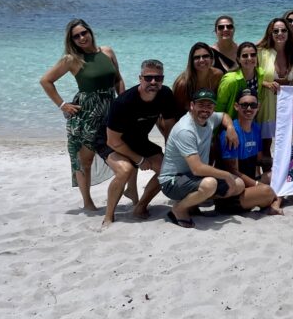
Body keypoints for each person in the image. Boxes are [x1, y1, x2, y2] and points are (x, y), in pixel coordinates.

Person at [40, 19, 125, 211]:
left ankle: (128, 189)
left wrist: (123, 102)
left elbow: (117, 79)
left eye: (83, 33)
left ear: (90, 32)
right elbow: (46, 81)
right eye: (76, 36)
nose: (81, 38)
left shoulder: (107, 52)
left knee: (121, 149)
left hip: (110, 108)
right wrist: (63, 105)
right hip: (87, 114)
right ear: (71, 40)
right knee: (85, 159)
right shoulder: (71, 59)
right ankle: (87, 202)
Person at [96, 59, 184, 225]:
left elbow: (170, 129)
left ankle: (140, 206)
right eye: (148, 77)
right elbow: (113, 141)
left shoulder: (165, 94)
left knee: (166, 169)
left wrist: (171, 155)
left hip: (137, 140)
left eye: (158, 78)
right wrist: (140, 159)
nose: (153, 82)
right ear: (140, 78)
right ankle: (109, 216)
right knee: (125, 170)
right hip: (108, 140)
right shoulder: (123, 102)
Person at [157, 89, 244, 228]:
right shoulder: (185, 130)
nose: (205, 109)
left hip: (193, 177)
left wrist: (230, 127)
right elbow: (197, 169)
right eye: (201, 105)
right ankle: (179, 209)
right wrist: (226, 175)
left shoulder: (209, 118)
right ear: (192, 105)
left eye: (209, 106)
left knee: (238, 184)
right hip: (172, 181)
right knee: (210, 184)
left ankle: (192, 202)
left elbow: (224, 116)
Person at [219, 89, 281, 214]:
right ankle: (275, 201)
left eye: (253, 105)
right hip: (233, 193)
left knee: (279, 174)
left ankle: (274, 202)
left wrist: (281, 163)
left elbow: (259, 160)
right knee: (266, 191)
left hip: (249, 184)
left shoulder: (256, 128)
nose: (249, 108)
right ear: (236, 106)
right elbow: (233, 170)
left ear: (258, 107)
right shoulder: (230, 134)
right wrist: (258, 184)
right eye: (244, 105)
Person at [257, 18, 293, 155]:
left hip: (288, 103)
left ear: (288, 33)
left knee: (289, 141)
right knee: (266, 143)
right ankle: (265, 173)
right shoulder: (261, 53)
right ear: (270, 33)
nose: (280, 33)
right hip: (267, 101)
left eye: (283, 30)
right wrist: (266, 83)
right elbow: (252, 77)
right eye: (276, 31)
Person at [172, 42, 224, 113]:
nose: (201, 60)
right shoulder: (183, 84)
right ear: (191, 62)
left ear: (212, 59)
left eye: (205, 56)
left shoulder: (218, 75)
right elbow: (175, 110)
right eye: (197, 57)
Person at [216, 42, 266, 115]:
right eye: (245, 56)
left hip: (251, 121)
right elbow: (219, 107)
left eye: (253, 55)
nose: (249, 58)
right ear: (238, 59)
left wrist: (266, 83)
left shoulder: (260, 74)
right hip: (232, 123)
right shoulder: (230, 80)